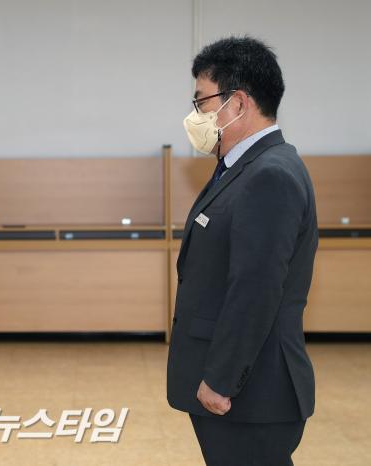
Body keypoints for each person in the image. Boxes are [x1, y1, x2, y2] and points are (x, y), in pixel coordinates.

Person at [167, 36, 318, 466]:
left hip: (250, 394)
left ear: (237, 103)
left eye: (202, 102)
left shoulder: (270, 175)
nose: (196, 115)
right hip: (244, 393)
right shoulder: (241, 168)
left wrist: (220, 380)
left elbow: (255, 289)